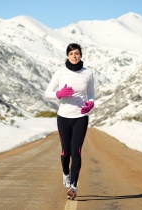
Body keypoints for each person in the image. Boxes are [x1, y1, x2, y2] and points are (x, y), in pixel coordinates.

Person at [44, 43, 95, 200]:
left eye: (77, 53)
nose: (74, 56)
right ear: (67, 56)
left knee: (76, 151)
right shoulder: (61, 72)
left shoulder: (88, 73)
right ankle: (66, 173)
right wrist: (59, 93)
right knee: (66, 153)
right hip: (64, 117)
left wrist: (91, 104)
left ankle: (73, 186)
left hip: (80, 117)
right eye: (71, 53)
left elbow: (91, 93)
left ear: (81, 55)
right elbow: (47, 93)